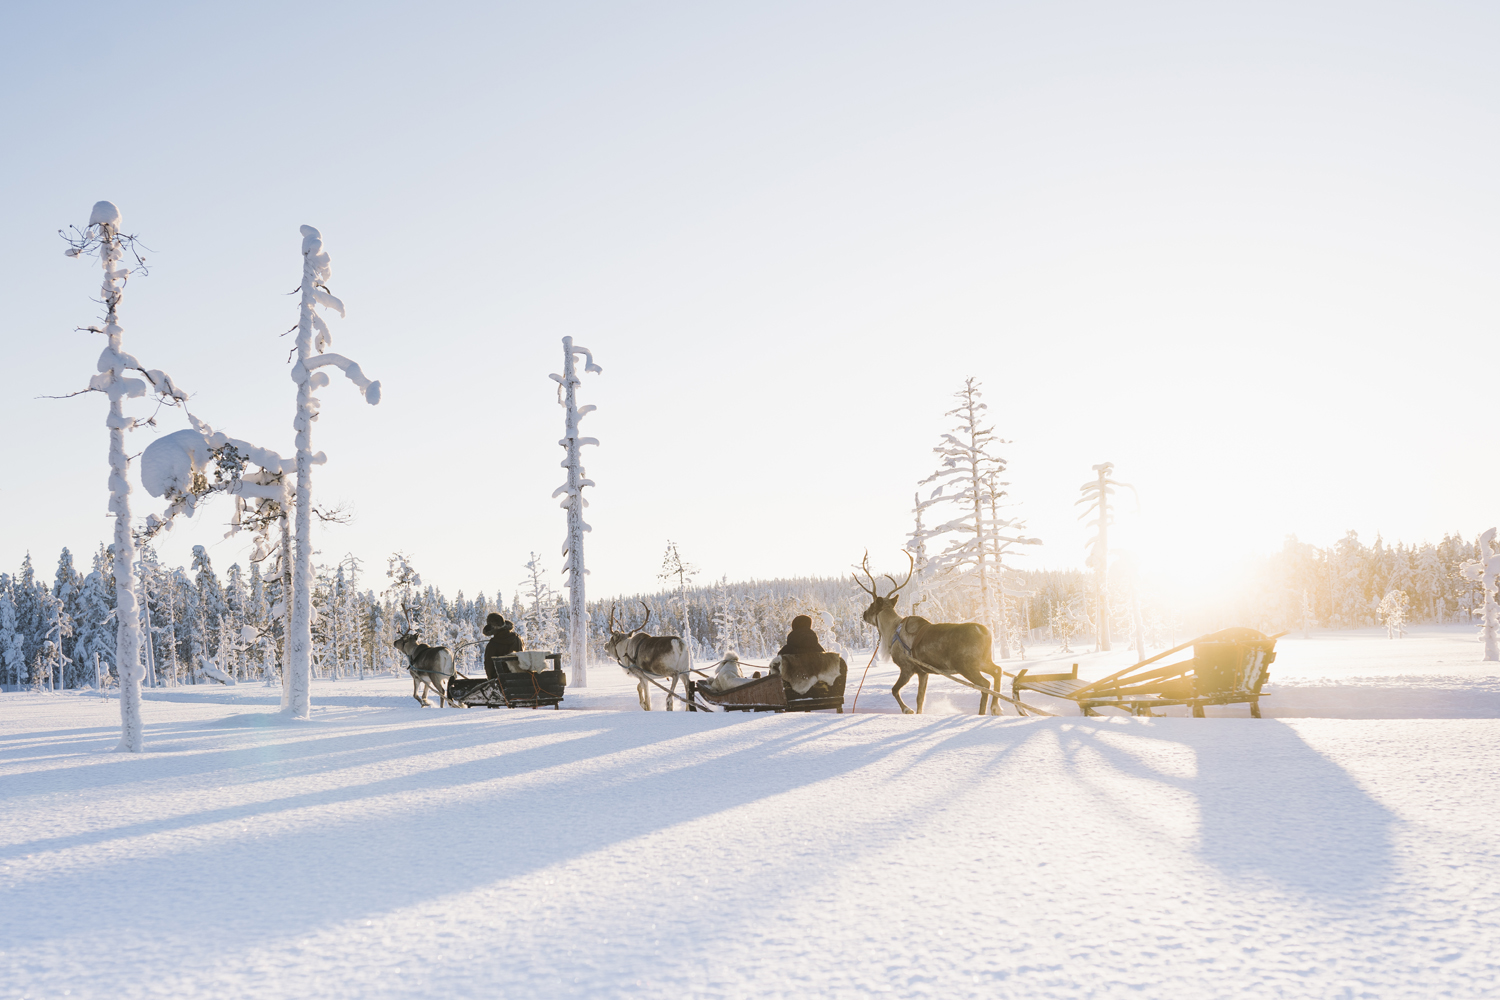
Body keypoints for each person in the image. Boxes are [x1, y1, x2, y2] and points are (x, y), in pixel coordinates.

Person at [481, 613, 524, 678]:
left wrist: (491, 680)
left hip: (501, 680)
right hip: (520, 677)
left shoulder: (492, 645)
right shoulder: (517, 639)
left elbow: (489, 666)